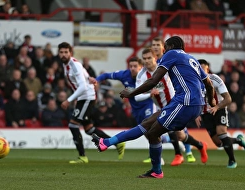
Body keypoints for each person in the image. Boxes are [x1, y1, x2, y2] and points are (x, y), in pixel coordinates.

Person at [92, 36, 215, 178]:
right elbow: (209, 84)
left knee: (152, 133)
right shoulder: (191, 59)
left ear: (169, 46)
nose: (162, 50)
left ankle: (157, 170)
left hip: (183, 103)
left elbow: (153, 81)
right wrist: (210, 102)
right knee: (148, 125)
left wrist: (131, 92)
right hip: (188, 103)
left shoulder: (171, 54)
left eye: (164, 47)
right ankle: (106, 143)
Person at [58, 42, 125, 164]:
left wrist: (69, 100)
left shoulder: (74, 65)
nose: (63, 55)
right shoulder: (66, 64)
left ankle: (83, 157)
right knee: (89, 129)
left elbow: (83, 87)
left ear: (70, 53)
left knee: (73, 125)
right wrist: (89, 78)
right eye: (61, 52)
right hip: (83, 97)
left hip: (87, 97)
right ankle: (117, 143)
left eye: (66, 52)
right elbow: (85, 75)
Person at [198, 59, 245, 168]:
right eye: (199, 68)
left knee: (222, 133)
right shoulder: (194, 82)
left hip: (219, 109)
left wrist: (217, 107)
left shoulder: (215, 79)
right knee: (218, 143)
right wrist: (196, 114)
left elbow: (228, 99)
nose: (201, 70)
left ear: (208, 68)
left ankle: (232, 160)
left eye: (203, 67)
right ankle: (238, 140)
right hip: (205, 113)